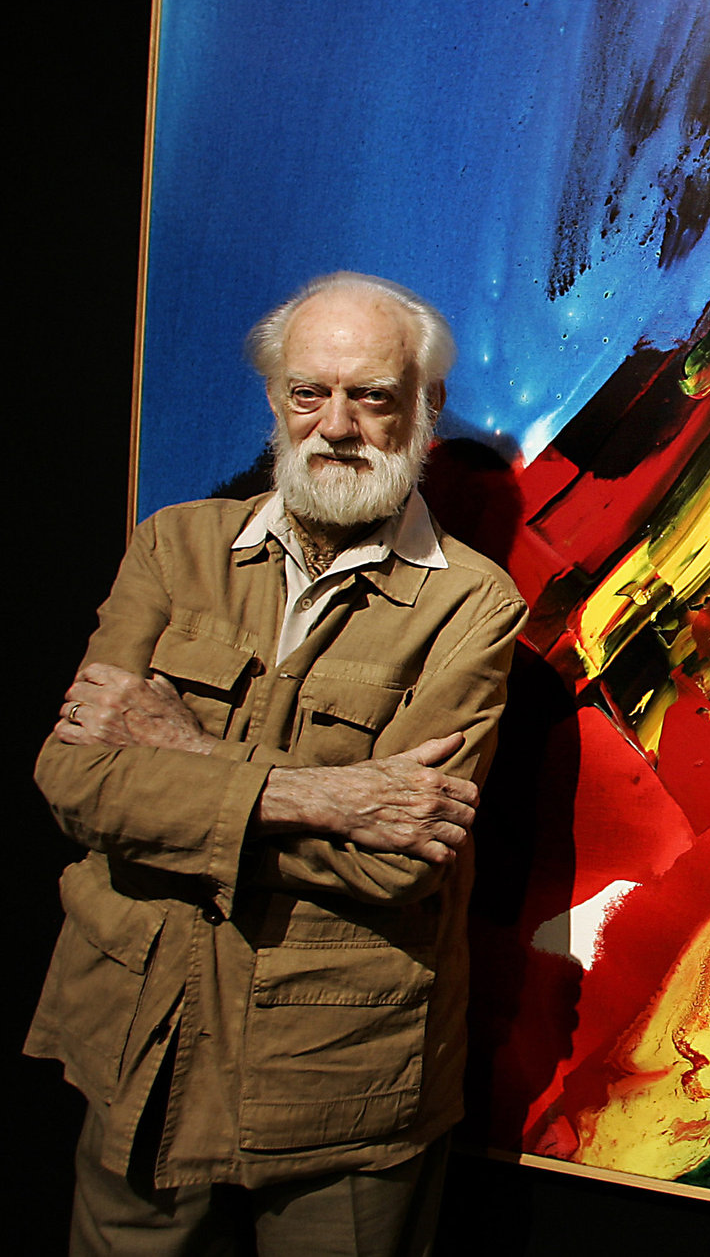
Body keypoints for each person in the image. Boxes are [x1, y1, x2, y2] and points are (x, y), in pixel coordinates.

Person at [27, 272, 527, 1255]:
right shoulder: (172, 547)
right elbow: (75, 780)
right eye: (309, 392)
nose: (335, 425)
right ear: (274, 398)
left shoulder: (474, 606)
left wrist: (178, 753)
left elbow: (398, 861)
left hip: (338, 1074)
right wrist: (324, 797)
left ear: (424, 408)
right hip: (141, 1040)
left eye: (371, 395)